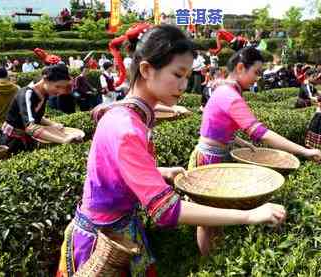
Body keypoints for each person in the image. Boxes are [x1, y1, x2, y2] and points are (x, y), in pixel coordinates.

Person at [56, 24, 287, 277]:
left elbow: (114, 169)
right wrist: (250, 215)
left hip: (117, 228)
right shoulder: (127, 127)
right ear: (146, 69)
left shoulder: (129, 115)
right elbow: (167, 211)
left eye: (188, 76)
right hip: (102, 243)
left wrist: (159, 172)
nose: (185, 84)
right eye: (178, 74)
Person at [189, 47, 321, 256]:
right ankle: (208, 262)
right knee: (208, 220)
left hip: (215, 155)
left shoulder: (224, 90)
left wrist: (239, 141)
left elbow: (216, 125)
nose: (258, 79)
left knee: (216, 216)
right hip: (209, 159)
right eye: (257, 73)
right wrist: (304, 151)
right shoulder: (230, 96)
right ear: (241, 68)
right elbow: (262, 133)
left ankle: (213, 258)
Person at [0, 64, 80, 154]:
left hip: (26, 137)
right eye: (57, 86)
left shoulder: (45, 93)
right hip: (11, 139)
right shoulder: (27, 94)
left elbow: (37, 116)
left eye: (62, 87)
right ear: (45, 80)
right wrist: (64, 139)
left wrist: (53, 124)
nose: (60, 91)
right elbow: (31, 127)